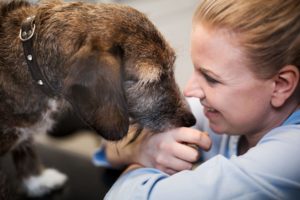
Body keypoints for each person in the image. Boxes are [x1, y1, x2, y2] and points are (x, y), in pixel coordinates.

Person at [93, 0, 300, 199]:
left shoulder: (291, 156)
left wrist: (137, 159)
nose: (190, 90)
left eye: (211, 79)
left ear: (281, 85)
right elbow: (111, 143)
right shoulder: (221, 114)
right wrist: (143, 148)